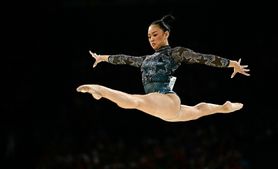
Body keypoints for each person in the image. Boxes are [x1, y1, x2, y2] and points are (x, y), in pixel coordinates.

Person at [76, 14, 250, 122]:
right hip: (164, 111)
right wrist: (102, 58)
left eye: (155, 35)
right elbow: (124, 59)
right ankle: (224, 107)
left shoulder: (175, 53)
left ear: (166, 34)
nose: (151, 39)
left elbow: (203, 58)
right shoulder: (145, 59)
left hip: (166, 99)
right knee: (198, 110)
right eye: (149, 36)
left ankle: (100, 90)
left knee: (136, 101)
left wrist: (231, 63)